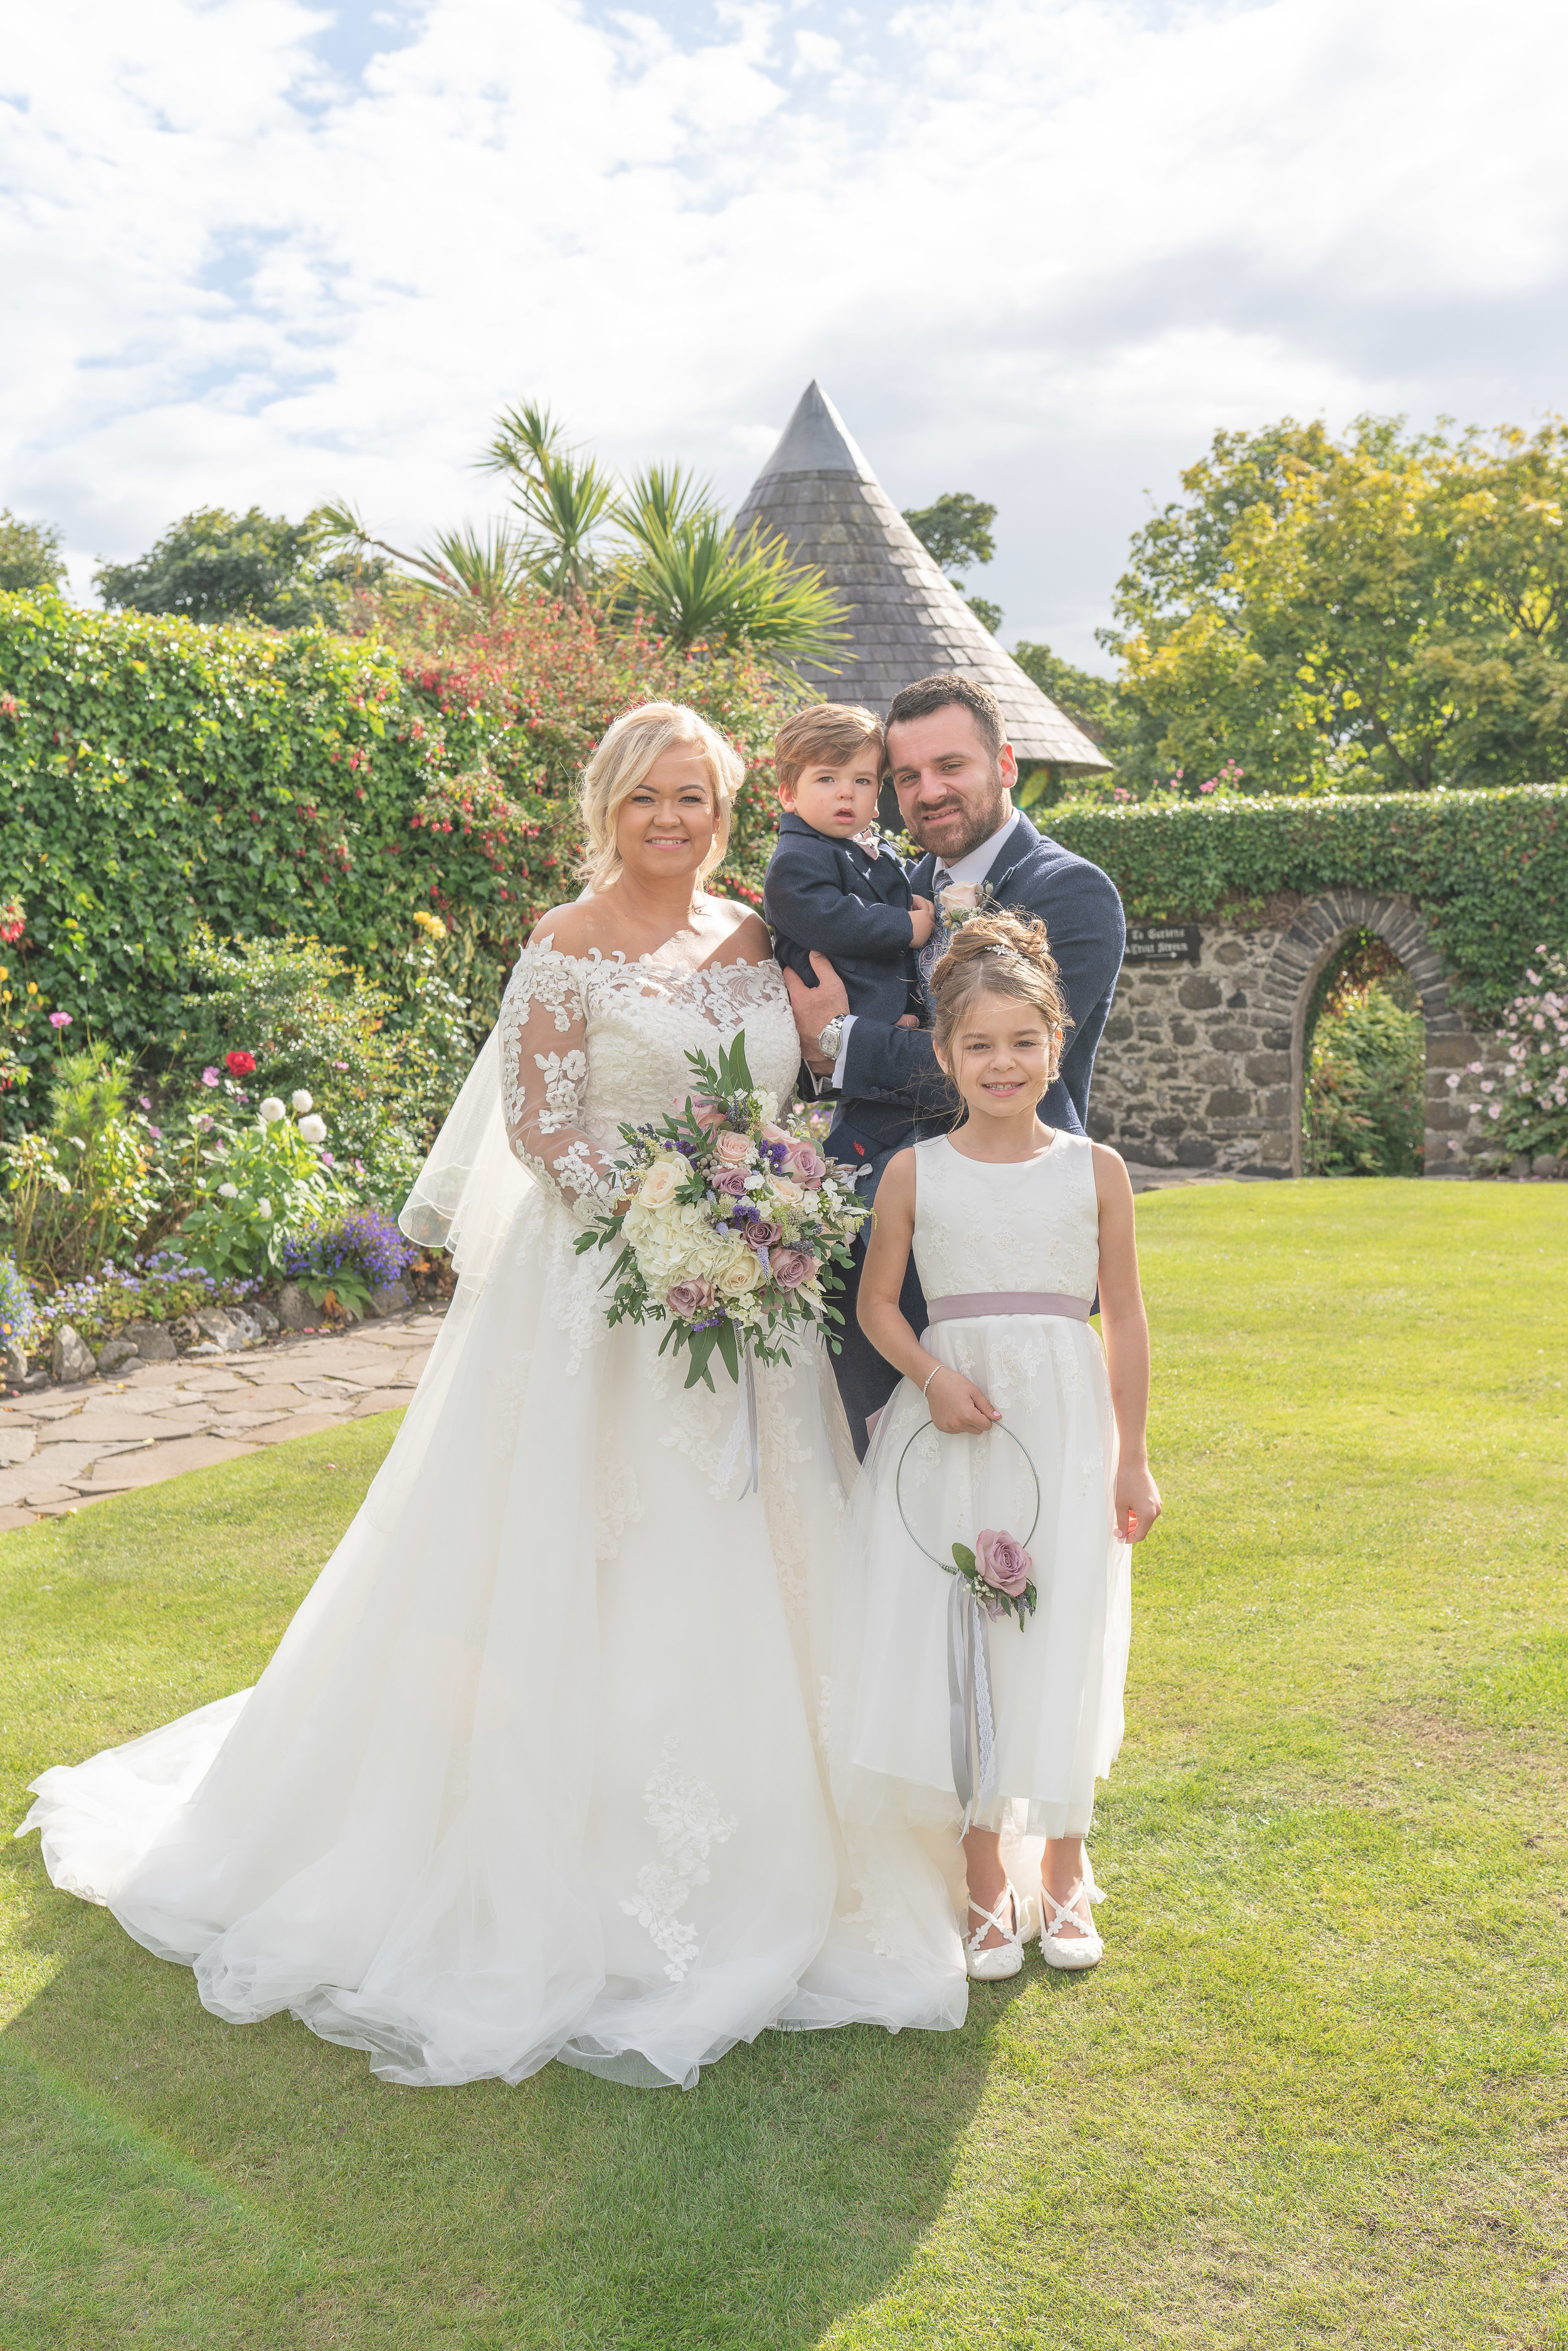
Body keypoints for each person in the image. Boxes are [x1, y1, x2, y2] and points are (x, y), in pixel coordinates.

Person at [18, 702, 966, 2091]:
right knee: (588, 1552)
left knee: (760, 1546)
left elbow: (797, 1084)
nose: (673, 819)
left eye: (694, 796)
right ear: (607, 804)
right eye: (648, 796)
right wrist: (662, 1227)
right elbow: (542, 1127)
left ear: (723, 807)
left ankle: (804, 1847)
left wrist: (761, 1196)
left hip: (744, 1303)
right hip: (608, 1294)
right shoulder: (563, 944)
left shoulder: (759, 931)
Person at [828, 908, 1161, 1977]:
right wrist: (934, 1376)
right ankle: (984, 1881)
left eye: (1024, 1041)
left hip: (1063, 1420)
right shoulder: (916, 1172)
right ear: (944, 1054)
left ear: (1055, 1044)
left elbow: (1127, 1318)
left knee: (1060, 1622)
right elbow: (880, 1306)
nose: (1003, 1062)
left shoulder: (1096, 1168)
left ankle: (1063, 1868)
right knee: (958, 1632)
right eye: (980, 1044)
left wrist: (1133, 1453)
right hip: (955, 1420)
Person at [783, 674, 1126, 1456]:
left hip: (1009, 1242)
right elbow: (815, 1023)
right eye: (906, 777)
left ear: (1004, 763)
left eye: (951, 766)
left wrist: (840, 1040)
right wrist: (812, 1038)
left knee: (1014, 1487)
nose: (928, 791)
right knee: (883, 1494)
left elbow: (1001, 1074)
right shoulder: (892, 894)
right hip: (869, 1248)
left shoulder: (1068, 891)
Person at [761, 701, 933, 1027]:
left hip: (890, 1003)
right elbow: (828, 919)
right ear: (789, 795)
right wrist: (904, 926)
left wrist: (916, 897)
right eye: (827, 778)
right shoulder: (796, 859)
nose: (846, 793)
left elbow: (888, 879)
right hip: (848, 1013)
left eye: (863, 781)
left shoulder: (860, 842)